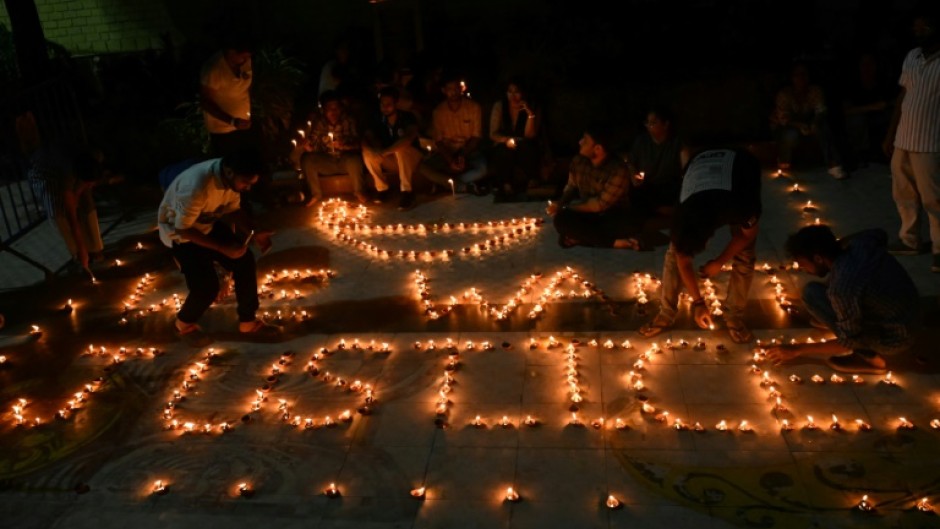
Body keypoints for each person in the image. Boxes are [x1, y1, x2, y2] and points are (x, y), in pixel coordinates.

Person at [157, 149, 280, 346]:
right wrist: (222, 248)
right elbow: (184, 230)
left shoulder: (230, 180)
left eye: (251, 184)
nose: (247, 188)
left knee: (244, 260)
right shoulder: (197, 186)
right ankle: (183, 324)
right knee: (206, 287)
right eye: (245, 183)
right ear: (230, 172)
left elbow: (232, 210)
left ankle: (248, 322)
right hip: (179, 235)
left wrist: (254, 230)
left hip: (206, 224)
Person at [639, 147, 762, 344]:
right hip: (701, 167)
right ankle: (666, 313)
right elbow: (682, 259)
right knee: (673, 252)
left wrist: (720, 262)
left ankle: (733, 316)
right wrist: (698, 302)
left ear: (707, 238)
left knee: (745, 254)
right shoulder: (682, 211)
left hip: (741, 170)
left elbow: (747, 235)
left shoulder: (742, 206)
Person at [766, 225, 920, 374]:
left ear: (818, 258)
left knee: (814, 298)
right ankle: (844, 321)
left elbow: (849, 342)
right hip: (912, 313)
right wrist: (832, 245)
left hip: (895, 338)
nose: (801, 268)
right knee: (813, 292)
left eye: (802, 263)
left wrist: (796, 350)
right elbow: (879, 233)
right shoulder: (862, 244)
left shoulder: (842, 288)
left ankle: (871, 359)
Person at [882, 2, 940, 273]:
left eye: (925, 27)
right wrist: (891, 134)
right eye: (916, 28)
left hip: (931, 141)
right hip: (904, 138)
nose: (920, 32)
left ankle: (939, 248)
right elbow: (903, 96)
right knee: (902, 191)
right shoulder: (913, 56)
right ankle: (910, 239)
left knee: (933, 198)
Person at [545, 123, 640, 249]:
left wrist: (568, 208)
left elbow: (599, 205)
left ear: (598, 149)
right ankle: (609, 241)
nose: (580, 142)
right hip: (588, 213)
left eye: (585, 141)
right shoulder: (579, 161)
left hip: (612, 214)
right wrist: (560, 204)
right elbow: (571, 187)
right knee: (561, 220)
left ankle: (591, 240)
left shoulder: (618, 170)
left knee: (628, 225)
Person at [27, 140, 115, 273]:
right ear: (77, 177)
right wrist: (81, 248)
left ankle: (95, 249)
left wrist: (80, 191)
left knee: (87, 200)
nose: (90, 186)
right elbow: (72, 218)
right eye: (88, 183)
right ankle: (79, 256)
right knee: (58, 211)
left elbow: (84, 186)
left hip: (70, 166)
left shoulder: (95, 156)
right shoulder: (67, 174)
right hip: (44, 172)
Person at [769, 61, 848, 179]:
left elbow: (821, 110)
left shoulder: (815, 91)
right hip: (787, 126)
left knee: (823, 127)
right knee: (790, 135)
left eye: (804, 74)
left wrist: (815, 123)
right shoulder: (784, 94)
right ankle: (784, 162)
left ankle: (833, 164)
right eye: (797, 75)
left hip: (808, 123)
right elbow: (783, 119)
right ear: (792, 77)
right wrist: (799, 125)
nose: (801, 78)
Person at [419, 72, 487, 193]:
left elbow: (476, 137)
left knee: (482, 170)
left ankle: (446, 183)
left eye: (456, 88)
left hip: (468, 151)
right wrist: (450, 160)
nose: (454, 92)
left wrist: (462, 155)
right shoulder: (439, 111)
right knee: (422, 167)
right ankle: (462, 186)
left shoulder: (473, 107)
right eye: (450, 89)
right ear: (443, 90)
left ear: (461, 89)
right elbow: (439, 141)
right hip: (447, 152)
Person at [300, 90, 367, 207]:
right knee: (306, 159)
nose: (333, 112)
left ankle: (359, 191)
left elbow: (358, 143)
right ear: (324, 110)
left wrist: (345, 146)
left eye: (336, 108)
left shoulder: (348, 120)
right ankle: (316, 194)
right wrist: (309, 146)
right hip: (327, 162)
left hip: (345, 161)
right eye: (329, 109)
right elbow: (314, 141)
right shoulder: (320, 123)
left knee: (354, 160)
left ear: (341, 108)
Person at [362, 86, 424, 210]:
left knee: (401, 148)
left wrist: (385, 151)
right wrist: (374, 148)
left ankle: (407, 192)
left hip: (412, 157)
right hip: (390, 158)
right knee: (367, 152)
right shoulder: (377, 119)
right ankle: (382, 189)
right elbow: (367, 137)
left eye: (389, 104)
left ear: (396, 103)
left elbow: (407, 139)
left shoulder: (407, 117)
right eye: (382, 104)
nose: (385, 107)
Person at [626, 105, 691, 217]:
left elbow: (687, 169)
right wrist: (633, 176)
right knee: (636, 194)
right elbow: (630, 163)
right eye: (647, 123)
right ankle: (660, 210)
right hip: (648, 186)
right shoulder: (641, 142)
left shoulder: (676, 143)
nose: (649, 127)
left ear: (665, 125)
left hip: (670, 186)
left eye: (653, 123)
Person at [841, 51, 897, 167]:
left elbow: (892, 103)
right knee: (857, 120)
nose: (867, 68)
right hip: (860, 123)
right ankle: (861, 156)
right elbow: (846, 111)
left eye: (870, 64)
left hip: (879, 120)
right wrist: (871, 107)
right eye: (864, 64)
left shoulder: (882, 83)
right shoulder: (853, 85)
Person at [199, 40, 253, 158]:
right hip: (223, 131)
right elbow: (205, 102)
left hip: (244, 126)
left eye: (248, 57)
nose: (246, 60)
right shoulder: (214, 69)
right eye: (243, 57)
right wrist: (232, 121)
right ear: (231, 52)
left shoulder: (245, 61)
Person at [488, 77, 540, 196]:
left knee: (527, 148)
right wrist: (506, 140)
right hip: (504, 142)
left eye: (516, 92)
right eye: (509, 92)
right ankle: (506, 184)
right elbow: (493, 133)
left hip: (524, 142)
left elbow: (529, 135)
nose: (513, 96)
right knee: (503, 152)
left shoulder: (530, 106)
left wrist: (530, 115)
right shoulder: (500, 106)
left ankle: (532, 180)